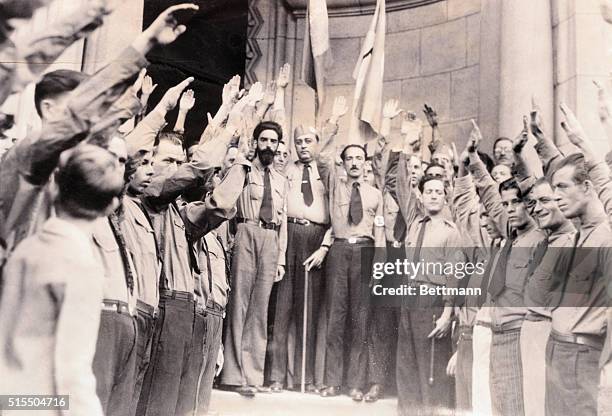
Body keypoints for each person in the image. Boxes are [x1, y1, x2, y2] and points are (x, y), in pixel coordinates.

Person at [0, 144, 125, 416]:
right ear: (111, 206)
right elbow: (72, 370)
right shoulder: (81, 266)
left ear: (55, 187)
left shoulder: (26, 250)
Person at [221, 120, 288, 396]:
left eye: (273, 141)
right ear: (256, 142)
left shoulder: (284, 180)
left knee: (260, 309)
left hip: (271, 239)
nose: (268, 146)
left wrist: (281, 258)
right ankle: (233, 375)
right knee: (239, 304)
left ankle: (252, 377)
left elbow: (282, 223)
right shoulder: (244, 171)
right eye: (264, 140)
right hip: (246, 231)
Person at [319, 143, 385, 401]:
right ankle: (332, 382)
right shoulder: (335, 186)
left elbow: (379, 232)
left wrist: (380, 263)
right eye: (349, 159)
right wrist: (333, 128)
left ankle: (355, 384)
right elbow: (322, 158)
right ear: (343, 162)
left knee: (360, 319)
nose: (355, 163)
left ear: (366, 162)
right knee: (336, 317)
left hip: (365, 252)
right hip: (339, 250)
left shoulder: (375, 195)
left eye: (359, 158)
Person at [396, 173, 464, 416]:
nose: (434, 196)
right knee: (406, 365)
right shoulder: (415, 224)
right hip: (409, 298)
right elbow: (400, 187)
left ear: (446, 197)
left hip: (433, 301)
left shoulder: (450, 232)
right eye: (429, 192)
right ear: (421, 197)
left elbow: (454, 276)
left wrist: (447, 314)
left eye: (438, 191)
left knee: (431, 366)